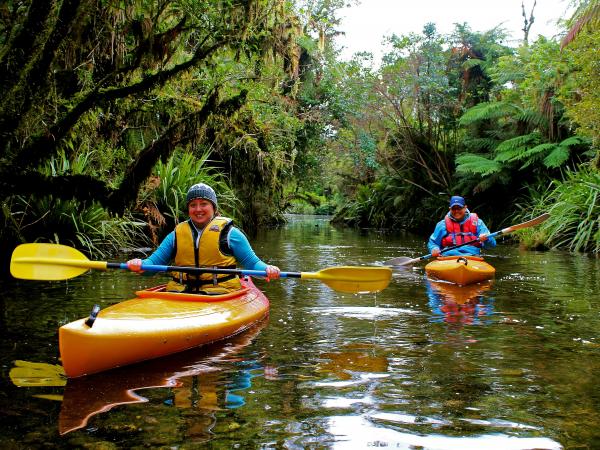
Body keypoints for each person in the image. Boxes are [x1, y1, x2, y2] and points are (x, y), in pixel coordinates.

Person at [127, 182, 280, 293]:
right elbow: (152, 265)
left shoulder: (231, 235)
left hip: (221, 293)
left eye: (204, 204)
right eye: (193, 205)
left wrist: (267, 269)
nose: (198, 209)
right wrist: (140, 265)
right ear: (188, 209)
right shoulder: (176, 235)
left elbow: (252, 264)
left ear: (214, 207)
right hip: (180, 294)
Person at [427, 195, 496, 257]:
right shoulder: (442, 225)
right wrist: (434, 249)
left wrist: (487, 239)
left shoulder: (478, 223)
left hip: (472, 257)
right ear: (450, 209)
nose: (456, 211)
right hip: (448, 257)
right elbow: (433, 242)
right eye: (453, 208)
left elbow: (491, 246)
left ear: (465, 208)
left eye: (459, 208)